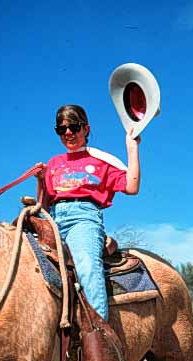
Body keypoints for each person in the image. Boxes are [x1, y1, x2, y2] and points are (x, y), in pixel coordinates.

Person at [37, 104, 140, 322]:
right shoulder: (54, 163)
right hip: (53, 218)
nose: (68, 133)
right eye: (61, 129)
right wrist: (40, 180)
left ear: (86, 129)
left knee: (87, 266)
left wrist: (132, 148)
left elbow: (132, 187)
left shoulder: (100, 160)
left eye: (73, 127)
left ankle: (98, 333)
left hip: (83, 217)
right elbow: (43, 206)